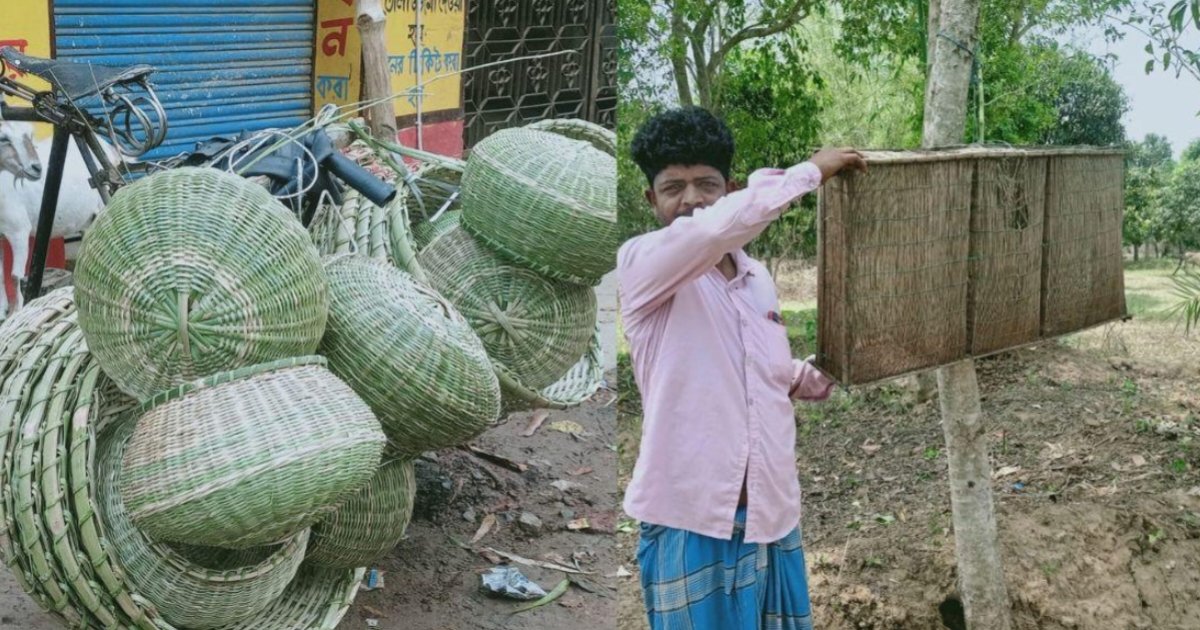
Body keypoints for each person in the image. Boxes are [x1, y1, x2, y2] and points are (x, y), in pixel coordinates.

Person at [619, 106, 866, 630]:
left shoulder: (758, 279)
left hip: (771, 517)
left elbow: (766, 371)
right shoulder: (643, 263)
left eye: (707, 184)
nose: (691, 199)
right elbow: (711, 232)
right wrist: (809, 172)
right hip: (692, 518)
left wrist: (823, 371)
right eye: (673, 187)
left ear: (730, 188)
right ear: (651, 199)